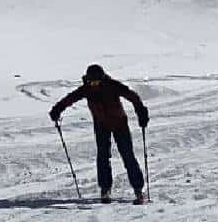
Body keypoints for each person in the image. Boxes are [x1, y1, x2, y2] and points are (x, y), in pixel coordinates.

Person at [50, 64, 149, 205]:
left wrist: (141, 111)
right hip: (101, 125)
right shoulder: (86, 89)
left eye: (96, 82)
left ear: (102, 79)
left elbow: (133, 96)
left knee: (127, 155)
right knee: (103, 157)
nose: (94, 85)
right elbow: (69, 99)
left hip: (120, 124)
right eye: (92, 82)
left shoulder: (112, 85)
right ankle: (105, 189)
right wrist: (57, 109)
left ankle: (138, 189)